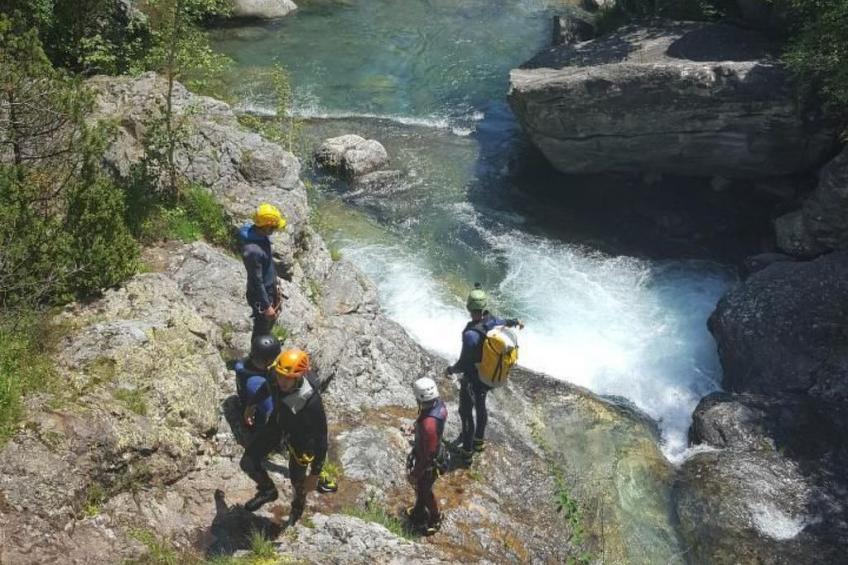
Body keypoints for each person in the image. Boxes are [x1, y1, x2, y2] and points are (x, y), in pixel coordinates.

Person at [240, 348, 336, 524]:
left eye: (287, 378)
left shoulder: (311, 401)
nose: (282, 381)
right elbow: (266, 387)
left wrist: (314, 474)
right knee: (248, 462)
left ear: (299, 376)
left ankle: (297, 509)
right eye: (280, 376)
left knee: (298, 482)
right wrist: (251, 405)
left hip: (302, 440)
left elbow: (321, 438)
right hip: (278, 424)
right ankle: (268, 490)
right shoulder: (275, 374)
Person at [444, 284, 523, 465]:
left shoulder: (470, 335)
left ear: (469, 308)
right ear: (484, 306)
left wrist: (451, 370)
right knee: (480, 405)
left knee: (465, 412)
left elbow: (463, 362)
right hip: (488, 377)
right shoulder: (492, 320)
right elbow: (506, 322)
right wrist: (516, 321)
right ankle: (478, 441)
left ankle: (466, 452)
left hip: (474, 378)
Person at [406, 377, 447, 536]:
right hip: (434, 452)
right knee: (422, 487)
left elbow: (427, 456)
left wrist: (415, 473)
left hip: (429, 461)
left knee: (424, 488)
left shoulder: (428, 425)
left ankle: (435, 518)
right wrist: (416, 429)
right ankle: (418, 511)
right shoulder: (439, 406)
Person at [240, 203, 286, 343]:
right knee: (261, 327)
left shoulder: (257, 234)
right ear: (265, 226)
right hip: (262, 295)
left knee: (266, 325)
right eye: (272, 228)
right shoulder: (252, 251)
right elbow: (256, 280)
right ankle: (257, 356)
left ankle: (263, 346)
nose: (273, 231)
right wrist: (266, 306)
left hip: (269, 287)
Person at [233, 334, 281, 408]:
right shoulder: (254, 381)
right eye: (273, 359)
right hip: (256, 409)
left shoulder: (242, 367)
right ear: (268, 361)